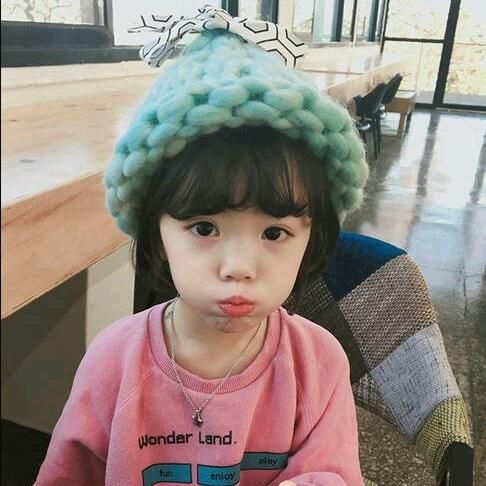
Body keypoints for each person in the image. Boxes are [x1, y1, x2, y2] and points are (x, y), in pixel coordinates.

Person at [35, 6, 368, 486]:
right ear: (156, 233)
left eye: (274, 233)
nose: (238, 267)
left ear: (311, 235)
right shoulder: (112, 362)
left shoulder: (318, 365)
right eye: (205, 228)